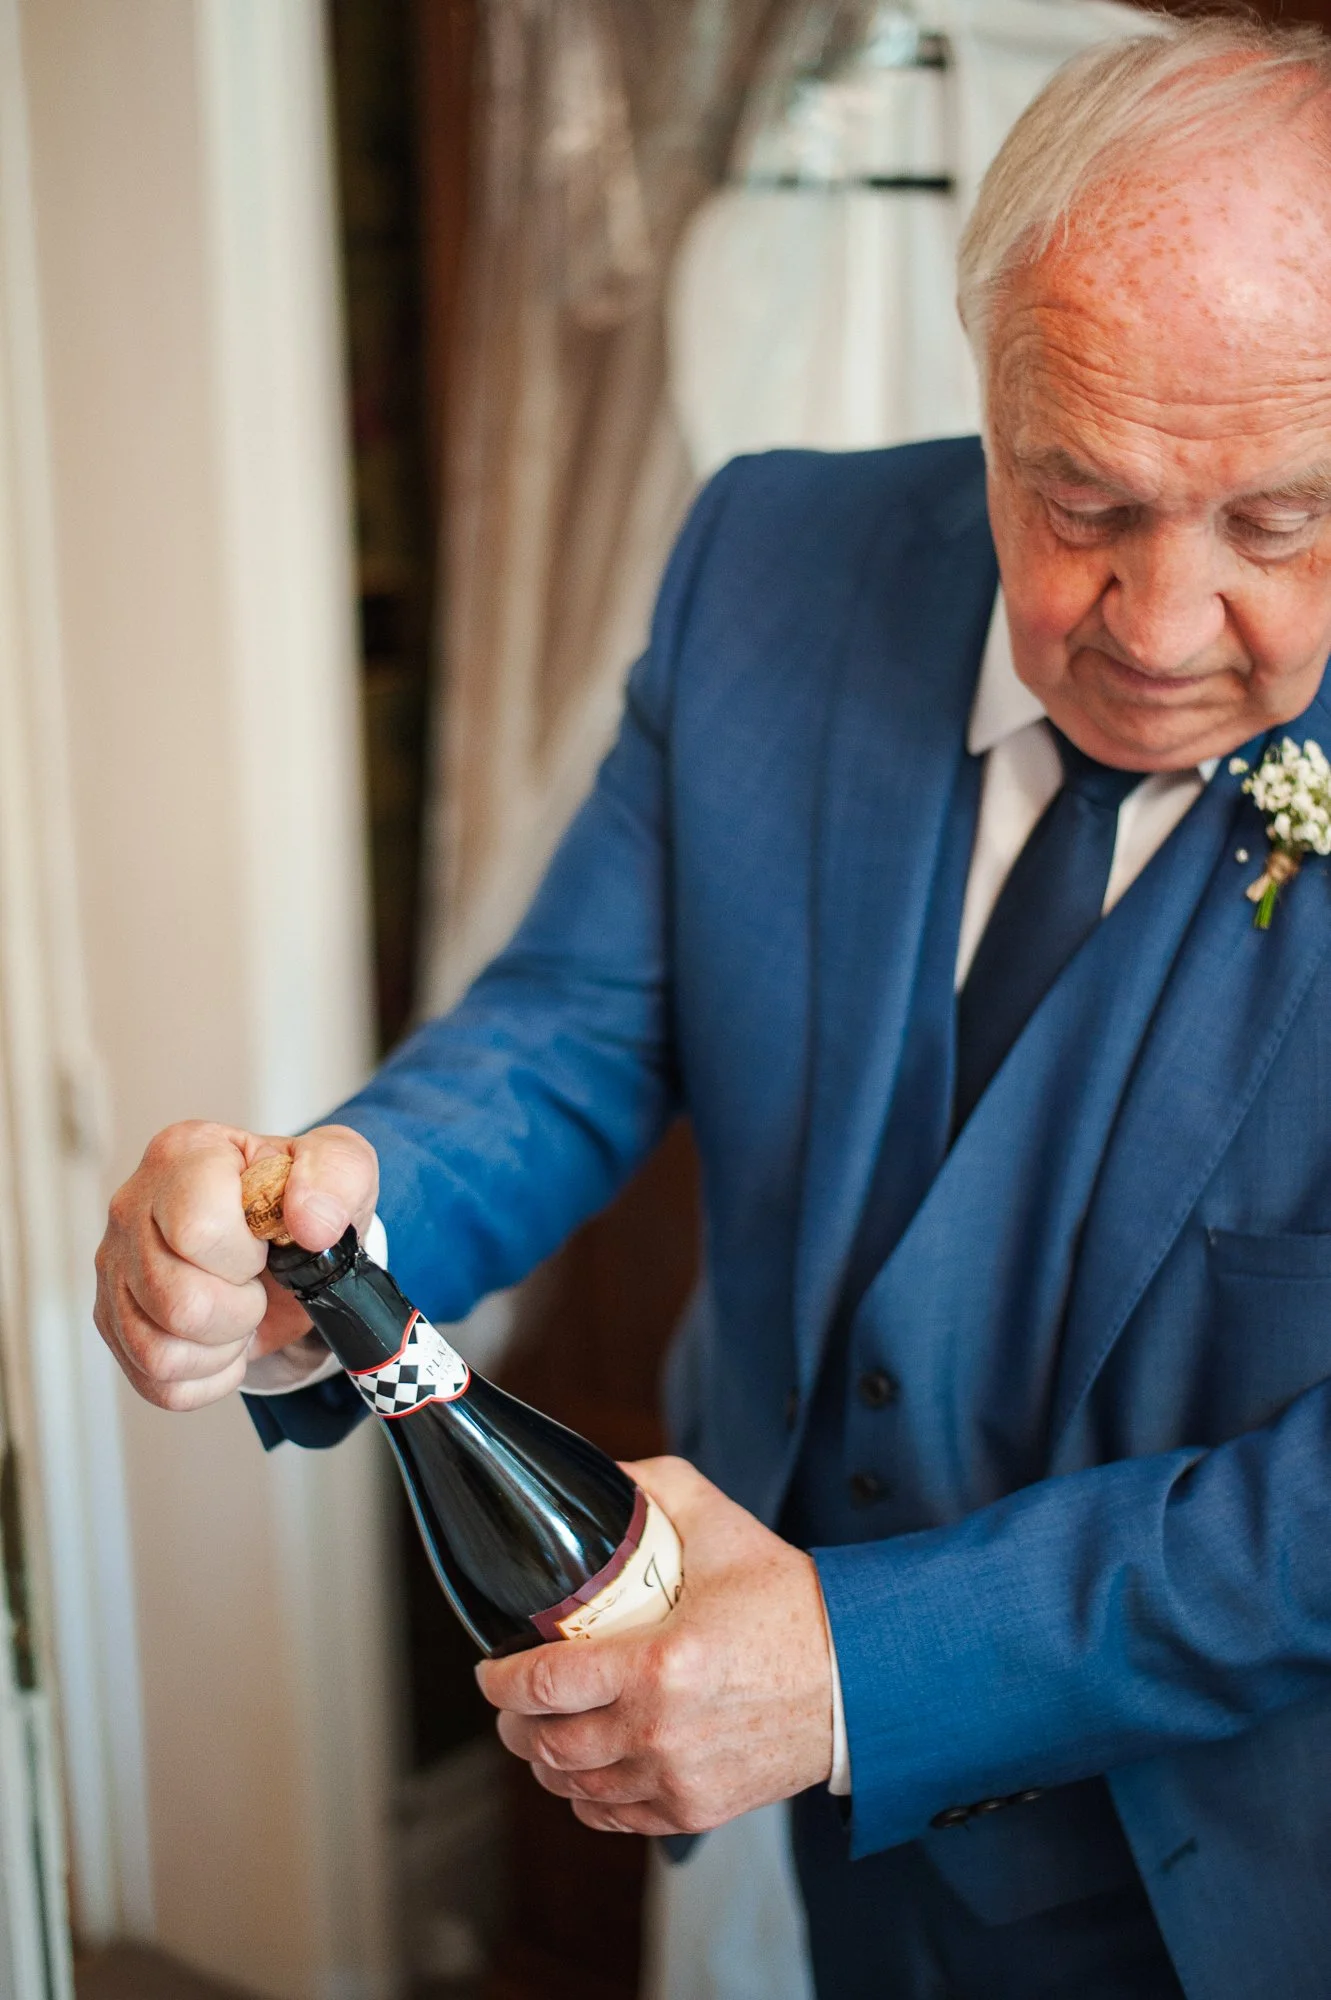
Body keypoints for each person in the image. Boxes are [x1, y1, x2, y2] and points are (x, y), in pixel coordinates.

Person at [93, 17, 1331, 1997]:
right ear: (985, 377)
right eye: (1080, 501)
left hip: (1253, 1881)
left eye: (1272, 520)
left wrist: (860, 1666)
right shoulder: (772, 559)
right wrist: (324, 1231)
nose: (1162, 626)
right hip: (848, 1873)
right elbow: (577, 1021)